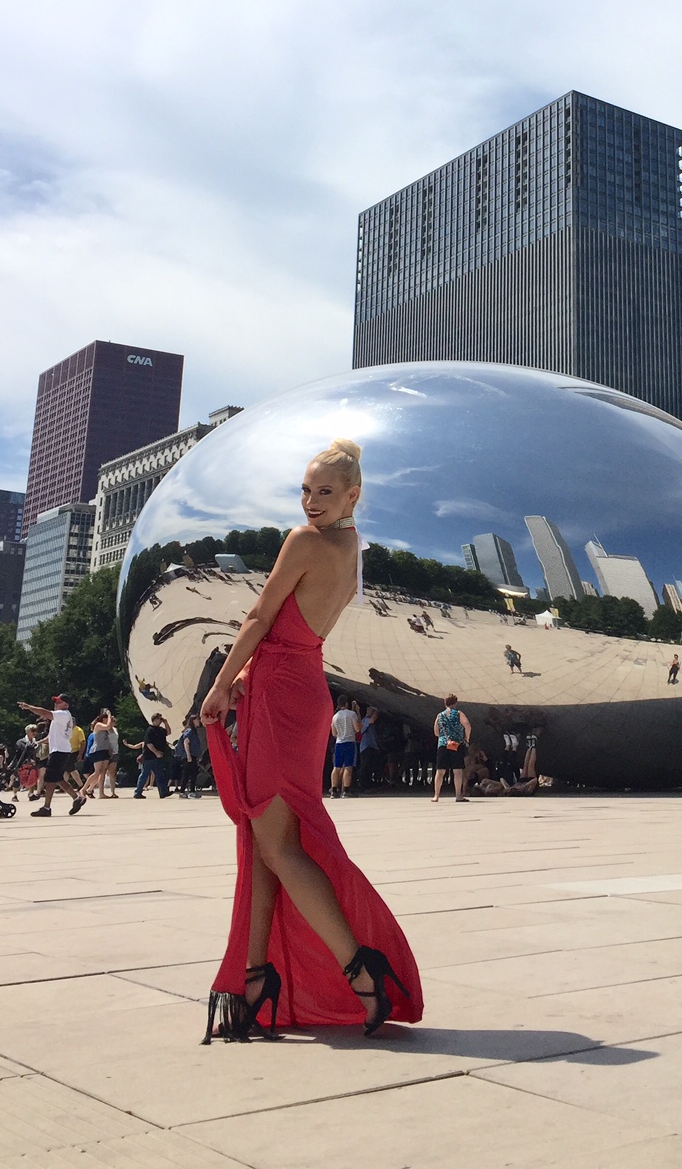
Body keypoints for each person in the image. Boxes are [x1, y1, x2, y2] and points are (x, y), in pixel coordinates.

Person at [198, 437, 422, 1042]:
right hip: (302, 688)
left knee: (280, 844)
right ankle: (254, 978)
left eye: (325, 491)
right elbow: (296, 630)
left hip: (279, 695)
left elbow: (259, 619)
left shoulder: (305, 543)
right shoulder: (352, 551)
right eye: (305, 489)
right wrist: (249, 675)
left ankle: (360, 970)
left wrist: (220, 686)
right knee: (271, 839)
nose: (310, 501)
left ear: (353, 494)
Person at [18, 695, 87, 817]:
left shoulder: (63, 714)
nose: (55, 703)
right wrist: (38, 743)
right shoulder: (60, 718)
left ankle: (47, 807)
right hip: (61, 750)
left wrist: (29, 707)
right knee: (57, 778)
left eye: (58, 701)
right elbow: (51, 738)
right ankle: (76, 798)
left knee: (50, 778)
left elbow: (45, 713)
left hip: (59, 751)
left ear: (65, 704)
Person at [432, 694, 471, 802]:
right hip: (456, 744)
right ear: (455, 703)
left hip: (443, 744)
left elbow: (436, 732)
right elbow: (467, 724)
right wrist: (466, 738)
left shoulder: (439, 715)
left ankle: (436, 796)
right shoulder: (458, 713)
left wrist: (444, 737)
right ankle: (458, 795)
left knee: (440, 771)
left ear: (445, 703)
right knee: (457, 771)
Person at [128, 714, 173, 798]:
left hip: (159, 757)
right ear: (155, 720)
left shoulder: (160, 730)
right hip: (149, 757)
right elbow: (148, 744)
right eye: (159, 719)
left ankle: (163, 792)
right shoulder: (150, 730)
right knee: (144, 775)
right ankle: (138, 792)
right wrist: (156, 752)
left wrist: (166, 723)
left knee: (160, 775)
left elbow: (169, 732)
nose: (160, 721)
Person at [83, 710, 119, 799]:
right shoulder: (98, 725)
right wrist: (109, 715)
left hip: (105, 750)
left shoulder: (106, 729)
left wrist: (110, 749)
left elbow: (107, 738)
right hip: (97, 751)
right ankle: (84, 789)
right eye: (107, 718)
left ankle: (101, 793)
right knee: (97, 772)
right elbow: (107, 726)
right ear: (103, 719)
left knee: (102, 772)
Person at [330, 697, 359, 799]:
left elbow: (334, 733)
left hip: (339, 743)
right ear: (346, 704)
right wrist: (357, 711)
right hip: (349, 742)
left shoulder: (335, 717)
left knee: (336, 767)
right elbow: (357, 728)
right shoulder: (352, 714)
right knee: (348, 766)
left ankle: (334, 790)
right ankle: (346, 790)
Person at [178, 714, 205, 798]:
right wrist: (188, 755)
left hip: (193, 755)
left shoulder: (194, 731)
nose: (199, 721)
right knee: (189, 773)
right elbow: (186, 742)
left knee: (192, 773)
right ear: (193, 721)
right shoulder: (189, 731)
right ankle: (187, 791)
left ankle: (187, 791)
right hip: (189, 756)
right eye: (197, 720)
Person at [357, 703, 381, 792]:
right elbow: (372, 720)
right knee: (365, 766)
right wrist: (377, 710)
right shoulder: (365, 720)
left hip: (372, 746)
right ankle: (363, 785)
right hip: (366, 746)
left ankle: (368, 784)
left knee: (370, 766)